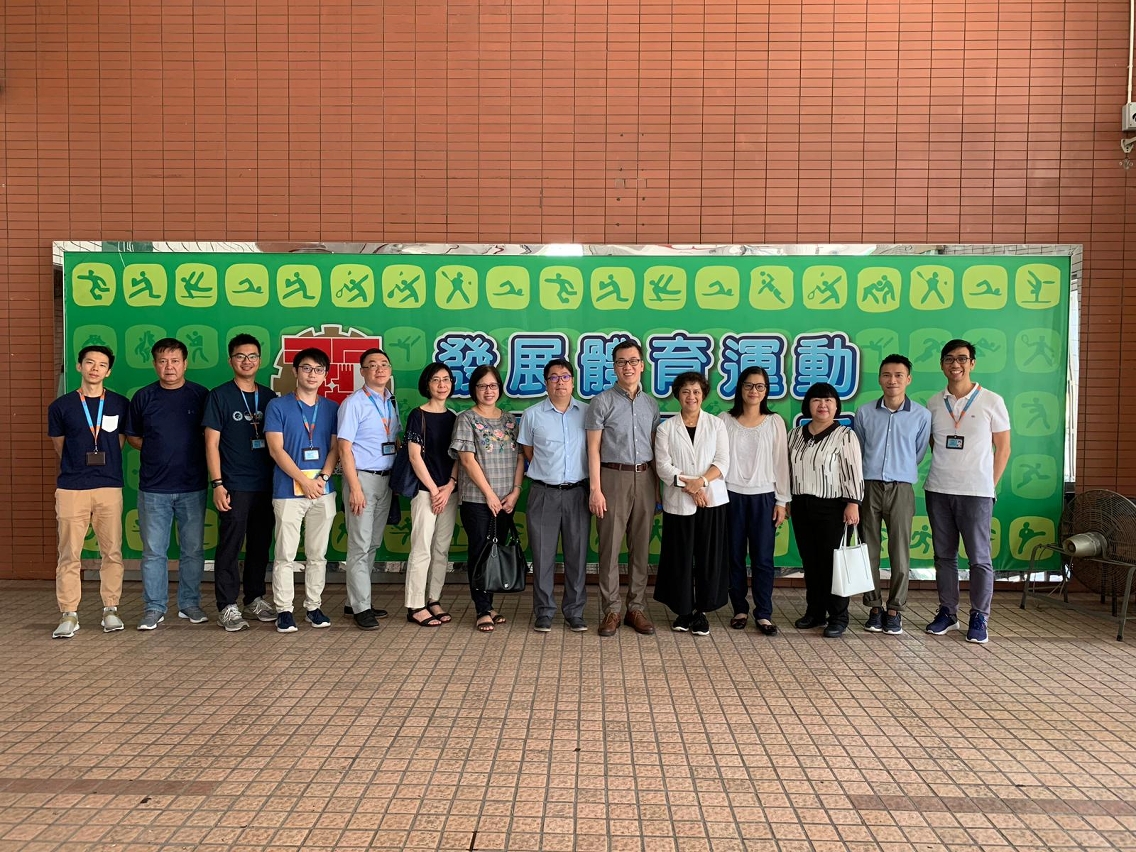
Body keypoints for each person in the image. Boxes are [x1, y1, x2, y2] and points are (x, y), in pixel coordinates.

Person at [924, 339, 1011, 644]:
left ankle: (979, 616)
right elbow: (935, 443)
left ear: (972, 363)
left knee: (979, 558)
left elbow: (1003, 448)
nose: (955, 364)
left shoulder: (992, 401)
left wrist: (988, 485)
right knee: (944, 556)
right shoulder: (934, 403)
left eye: (962, 358)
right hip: (938, 488)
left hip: (977, 493)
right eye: (949, 359)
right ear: (942, 365)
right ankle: (948, 612)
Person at [48, 346, 130, 638]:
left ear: (109, 371)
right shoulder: (61, 406)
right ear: (79, 366)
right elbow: (60, 446)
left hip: (109, 485)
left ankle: (111, 609)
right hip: (72, 488)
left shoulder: (120, 403)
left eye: (102, 364)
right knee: (69, 553)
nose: (95, 368)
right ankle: (69, 613)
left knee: (112, 551)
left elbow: (119, 441)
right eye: (90, 363)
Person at [127, 338, 209, 631]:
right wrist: (156, 449)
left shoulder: (200, 395)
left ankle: (189, 603)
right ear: (154, 364)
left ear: (185, 363)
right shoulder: (143, 397)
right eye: (163, 361)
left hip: (193, 486)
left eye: (175, 361)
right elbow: (133, 436)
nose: (169, 367)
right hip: (153, 489)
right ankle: (154, 607)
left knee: (193, 550)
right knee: (153, 552)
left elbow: (211, 436)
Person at [585, 338, 661, 637]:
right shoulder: (602, 402)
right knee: (610, 547)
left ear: (642, 365)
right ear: (614, 367)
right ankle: (611, 610)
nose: (627, 367)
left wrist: (657, 489)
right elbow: (593, 449)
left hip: (645, 477)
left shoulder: (650, 404)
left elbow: (655, 447)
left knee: (640, 548)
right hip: (612, 478)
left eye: (633, 361)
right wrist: (595, 489)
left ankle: (636, 608)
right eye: (621, 362)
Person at [203, 333, 278, 632]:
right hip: (234, 483)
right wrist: (218, 483)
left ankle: (254, 598)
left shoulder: (270, 397)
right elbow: (211, 444)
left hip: (267, 483)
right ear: (230, 360)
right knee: (231, 545)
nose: (247, 361)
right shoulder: (219, 396)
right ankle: (227, 605)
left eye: (252, 356)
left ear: (260, 360)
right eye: (240, 356)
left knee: (260, 544)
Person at [852, 354, 931, 636]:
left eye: (898, 375)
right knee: (869, 551)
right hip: (868, 487)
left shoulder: (922, 415)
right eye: (887, 375)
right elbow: (859, 450)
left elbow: (918, 453)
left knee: (900, 553)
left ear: (908, 379)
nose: (892, 380)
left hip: (901, 489)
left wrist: (899, 469)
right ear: (879, 379)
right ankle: (874, 608)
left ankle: (895, 609)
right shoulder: (864, 412)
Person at [264, 347, 340, 634]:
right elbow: (276, 449)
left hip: (323, 489)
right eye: (306, 368)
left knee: (317, 554)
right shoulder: (278, 406)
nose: (312, 374)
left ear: (325, 375)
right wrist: (303, 481)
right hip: (288, 490)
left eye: (318, 370)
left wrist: (322, 477)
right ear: (295, 371)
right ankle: (284, 609)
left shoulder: (332, 408)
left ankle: (313, 606)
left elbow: (335, 448)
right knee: (285, 554)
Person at [450, 364, 525, 634]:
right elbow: (467, 460)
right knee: (480, 552)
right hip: (477, 501)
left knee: (495, 552)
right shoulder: (466, 419)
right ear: (474, 390)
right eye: (482, 386)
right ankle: (482, 609)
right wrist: (490, 494)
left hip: (506, 500)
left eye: (493, 385)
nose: (488, 391)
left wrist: (516, 491)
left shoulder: (509, 420)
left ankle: (490, 605)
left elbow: (520, 457)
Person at [654, 372, 730, 635]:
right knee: (680, 557)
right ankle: (683, 611)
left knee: (708, 557)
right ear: (678, 394)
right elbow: (663, 466)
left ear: (703, 395)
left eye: (696, 391)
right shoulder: (666, 428)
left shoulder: (716, 425)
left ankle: (702, 613)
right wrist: (691, 487)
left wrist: (701, 483)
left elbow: (722, 461)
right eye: (686, 391)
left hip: (712, 501)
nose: (691, 396)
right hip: (679, 502)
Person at [786, 382, 864, 638]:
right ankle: (815, 612)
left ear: (836, 406)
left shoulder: (845, 435)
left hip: (833, 507)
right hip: (801, 504)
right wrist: (785, 500)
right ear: (808, 404)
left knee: (834, 564)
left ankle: (839, 616)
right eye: (817, 400)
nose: (823, 405)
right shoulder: (794, 435)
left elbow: (853, 471)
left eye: (829, 400)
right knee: (811, 562)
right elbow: (787, 470)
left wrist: (853, 503)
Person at [518, 358, 590, 633]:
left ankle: (575, 612)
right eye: (554, 377)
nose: (560, 382)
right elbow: (528, 452)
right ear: (546, 383)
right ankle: (544, 611)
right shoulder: (532, 415)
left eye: (565, 376)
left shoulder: (587, 412)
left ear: (573, 381)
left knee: (577, 556)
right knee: (542, 556)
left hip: (578, 493)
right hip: (543, 493)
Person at [718, 366, 789, 636]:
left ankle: (764, 613)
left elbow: (781, 463)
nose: (754, 391)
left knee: (763, 559)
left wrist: (782, 501)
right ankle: (739, 609)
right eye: (749, 385)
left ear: (766, 390)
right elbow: (716, 460)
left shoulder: (774, 422)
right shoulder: (724, 420)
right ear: (740, 388)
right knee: (734, 557)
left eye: (760, 386)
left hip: (764, 498)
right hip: (730, 496)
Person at [337, 348, 400, 630]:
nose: (379, 369)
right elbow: (344, 448)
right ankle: (361, 607)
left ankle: (356, 600)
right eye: (372, 365)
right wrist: (354, 488)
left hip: (386, 480)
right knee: (359, 545)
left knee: (372, 543)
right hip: (362, 479)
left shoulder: (390, 401)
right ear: (362, 371)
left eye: (384, 364)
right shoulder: (354, 403)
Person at [403, 362, 459, 627]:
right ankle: (415, 605)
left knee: (441, 549)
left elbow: (460, 456)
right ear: (427, 384)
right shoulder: (418, 415)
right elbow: (415, 457)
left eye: (446, 379)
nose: (442, 385)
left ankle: (433, 599)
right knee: (421, 548)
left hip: (449, 492)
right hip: (425, 492)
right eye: (436, 380)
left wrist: (449, 486)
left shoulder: (455, 417)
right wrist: (435, 490)